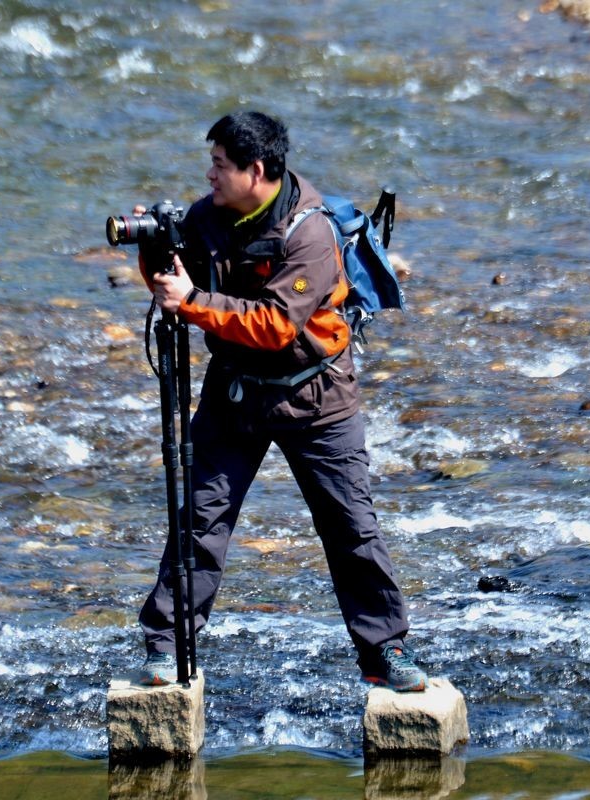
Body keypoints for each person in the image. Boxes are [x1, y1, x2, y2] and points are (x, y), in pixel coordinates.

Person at [136, 111, 426, 692]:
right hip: (236, 391)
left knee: (351, 528)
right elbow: (175, 283)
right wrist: (156, 251)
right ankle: (167, 647)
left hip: (317, 396)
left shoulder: (310, 236)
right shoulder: (207, 216)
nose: (210, 177)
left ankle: (385, 653)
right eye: (210, 164)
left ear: (257, 171)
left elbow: (272, 325)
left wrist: (190, 299)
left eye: (220, 166)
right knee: (199, 518)